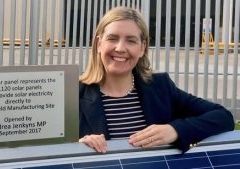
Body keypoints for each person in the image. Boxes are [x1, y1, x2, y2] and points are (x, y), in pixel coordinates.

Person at [78, 7, 234, 153]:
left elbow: (223, 117)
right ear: (99, 44)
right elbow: (54, 147)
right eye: (112, 38)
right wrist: (76, 146)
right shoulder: (72, 94)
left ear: (142, 48)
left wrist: (175, 130)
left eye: (131, 41)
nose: (120, 48)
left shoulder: (161, 87)